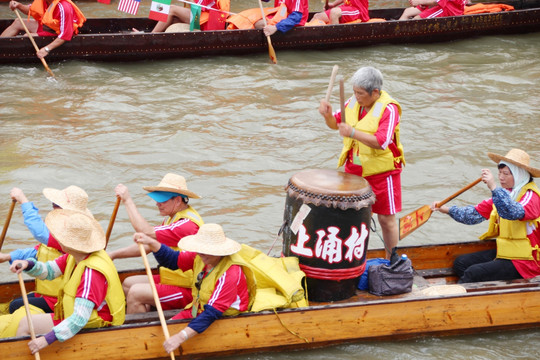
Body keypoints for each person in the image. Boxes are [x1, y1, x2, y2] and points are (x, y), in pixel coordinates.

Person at [10, 209, 125, 355]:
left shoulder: (91, 273)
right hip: (78, 316)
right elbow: (49, 271)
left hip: (93, 322)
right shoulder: (75, 256)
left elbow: (79, 319)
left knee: (26, 325)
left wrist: (46, 340)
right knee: (25, 322)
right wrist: (28, 264)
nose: (57, 239)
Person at [318, 66, 405, 260]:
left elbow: (382, 141)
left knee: (386, 219)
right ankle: (352, 258)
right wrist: (328, 116)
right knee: (352, 217)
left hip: (382, 173)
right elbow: (336, 125)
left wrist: (352, 133)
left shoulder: (389, 109)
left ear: (375, 92)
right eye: (355, 92)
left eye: (360, 93)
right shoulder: (352, 103)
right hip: (354, 171)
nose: (357, 97)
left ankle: (393, 261)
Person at [133, 223, 255, 353]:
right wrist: (151, 243)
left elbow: (211, 313)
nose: (201, 254)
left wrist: (180, 337)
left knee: (169, 338)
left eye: (207, 250)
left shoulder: (230, 273)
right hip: (198, 308)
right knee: (159, 336)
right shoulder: (201, 256)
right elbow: (173, 260)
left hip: (221, 316)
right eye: (200, 249)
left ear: (219, 250)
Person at [431, 149, 540, 283]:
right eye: (499, 173)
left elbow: (512, 212)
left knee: (472, 273)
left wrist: (494, 187)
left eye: (506, 173)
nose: (501, 177)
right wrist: (446, 209)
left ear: (519, 175)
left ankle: (457, 297)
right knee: (461, 263)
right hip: (506, 252)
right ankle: (486, 293)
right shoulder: (506, 194)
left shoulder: (531, 196)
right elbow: (473, 215)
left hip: (526, 262)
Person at [108, 173, 204, 313]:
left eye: (162, 200)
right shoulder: (172, 218)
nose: (157, 204)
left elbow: (144, 231)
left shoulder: (186, 225)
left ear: (177, 200)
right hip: (173, 279)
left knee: (136, 292)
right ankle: (146, 315)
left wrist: (127, 200)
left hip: (190, 289)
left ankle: (136, 332)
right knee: (128, 284)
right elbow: (148, 245)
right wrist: (113, 254)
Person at [1, 185, 93, 315]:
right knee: (15, 302)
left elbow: (39, 233)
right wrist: (8, 257)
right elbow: (38, 251)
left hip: (60, 299)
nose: (52, 207)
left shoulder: (72, 237)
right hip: (47, 293)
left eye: (56, 205)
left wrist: (23, 200)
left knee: (15, 306)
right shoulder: (60, 230)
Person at [0, 0, 86, 59]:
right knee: (18, 22)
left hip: (57, 33)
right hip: (48, 27)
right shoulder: (43, 1)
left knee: (27, 37)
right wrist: (18, 5)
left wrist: (46, 49)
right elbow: (31, 10)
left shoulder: (64, 7)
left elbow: (65, 34)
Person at [135, 0, 229, 33]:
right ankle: (155, 35)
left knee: (172, 9)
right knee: (172, 18)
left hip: (209, 21)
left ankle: (151, 36)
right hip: (202, 16)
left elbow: (196, 10)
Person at [227, 0, 308, 35]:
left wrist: (276, 27)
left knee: (258, 23)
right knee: (251, 17)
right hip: (279, 15)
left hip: (291, 21)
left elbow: (296, 18)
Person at [399, 0, 466, 20]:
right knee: (407, 12)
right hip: (440, 4)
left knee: (417, 19)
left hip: (448, 9)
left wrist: (420, 2)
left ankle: (405, 37)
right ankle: (397, 32)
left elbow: (436, 2)